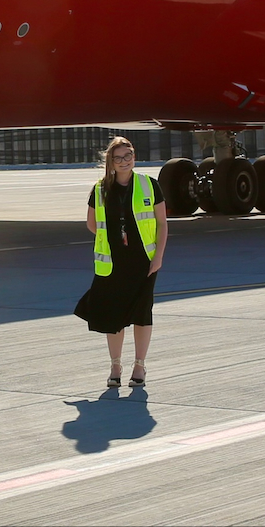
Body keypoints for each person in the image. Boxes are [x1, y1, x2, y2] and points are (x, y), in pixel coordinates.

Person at [74, 136, 165, 388]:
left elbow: (162, 223)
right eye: (119, 158)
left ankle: (140, 365)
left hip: (144, 260)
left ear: (134, 157)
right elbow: (92, 225)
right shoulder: (100, 189)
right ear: (110, 162)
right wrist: (112, 238)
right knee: (113, 316)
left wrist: (158, 256)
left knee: (142, 314)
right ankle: (115, 365)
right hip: (113, 262)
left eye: (129, 156)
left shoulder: (149, 185)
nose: (125, 161)